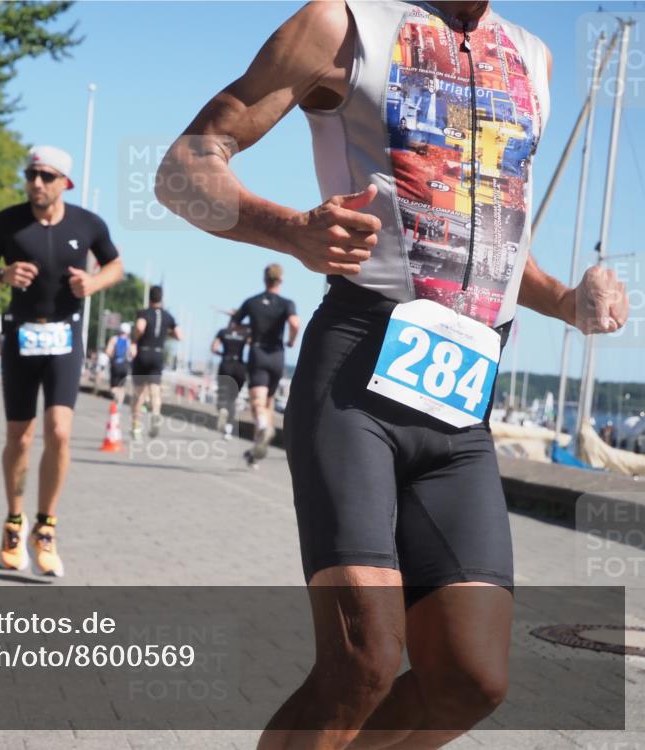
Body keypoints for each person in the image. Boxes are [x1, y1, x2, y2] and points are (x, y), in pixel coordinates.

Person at [155, 1, 629, 748]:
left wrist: (568, 303)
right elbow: (182, 168)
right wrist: (290, 231)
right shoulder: (341, 25)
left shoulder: (531, 57)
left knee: (470, 679)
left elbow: (493, 229)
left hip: (462, 407)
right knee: (362, 661)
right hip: (356, 383)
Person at [0, 145, 123, 577]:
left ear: (64, 183)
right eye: (32, 175)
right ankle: (14, 522)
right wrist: (2, 275)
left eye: (47, 177)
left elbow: (116, 266)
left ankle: (46, 527)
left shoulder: (88, 224)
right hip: (20, 336)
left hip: (64, 339)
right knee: (19, 438)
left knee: (59, 432)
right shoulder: (6, 223)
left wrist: (93, 283)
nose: (36, 183)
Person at [231, 264, 300, 465]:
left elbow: (234, 326)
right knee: (268, 403)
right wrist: (291, 340)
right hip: (277, 355)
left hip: (258, 353)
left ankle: (263, 427)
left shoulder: (251, 302)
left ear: (264, 279)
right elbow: (295, 324)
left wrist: (249, 327)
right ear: (281, 280)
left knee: (258, 404)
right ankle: (255, 453)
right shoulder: (287, 303)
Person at [130, 285, 183, 440]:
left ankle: (136, 426)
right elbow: (180, 335)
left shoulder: (144, 313)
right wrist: (166, 333)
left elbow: (140, 327)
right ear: (162, 298)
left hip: (143, 353)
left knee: (138, 393)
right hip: (158, 354)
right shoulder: (168, 316)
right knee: (155, 390)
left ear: (150, 298)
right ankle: (155, 414)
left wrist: (134, 340)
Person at [211, 317, 249, 439]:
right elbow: (253, 344)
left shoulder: (223, 332)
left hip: (226, 364)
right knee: (232, 398)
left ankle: (222, 409)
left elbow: (214, 348)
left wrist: (221, 354)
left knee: (223, 394)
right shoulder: (245, 333)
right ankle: (228, 429)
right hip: (239, 366)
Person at [105, 321, 136, 407]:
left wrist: (112, 358)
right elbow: (133, 354)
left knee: (114, 386)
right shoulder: (130, 341)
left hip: (115, 364)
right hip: (125, 365)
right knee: (122, 386)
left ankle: (115, 399)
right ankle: (120, 404)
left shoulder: (114, 339)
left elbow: (108, 351)